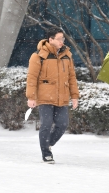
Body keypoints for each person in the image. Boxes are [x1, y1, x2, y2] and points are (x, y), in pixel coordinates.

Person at [26, 28, 80, 164]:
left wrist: (74, 96)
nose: (62, 41)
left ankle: (48, 143)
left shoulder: (67, 55)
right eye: (59, 39)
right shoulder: (38, 56)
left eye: (63, 39)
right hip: (44, 97)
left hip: (62, 97)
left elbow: (71, 77)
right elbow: (32, 77)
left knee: (62, 124)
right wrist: (31, 97)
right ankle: (46, 153)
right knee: (46, 124)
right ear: (51, 39)